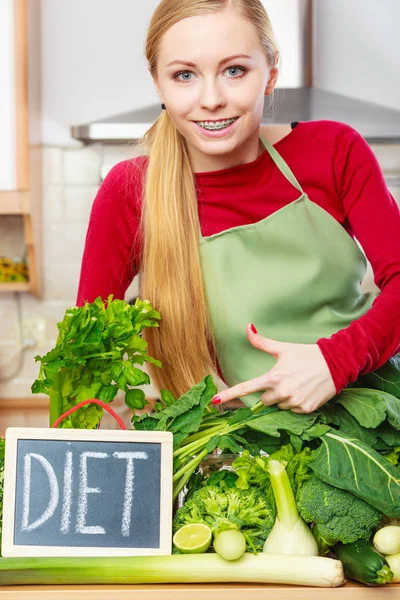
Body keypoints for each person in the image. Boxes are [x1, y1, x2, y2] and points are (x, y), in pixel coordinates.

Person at [77, 0, 400, 413]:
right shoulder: (129, 190)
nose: (211, 99)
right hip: (228, 449)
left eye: (234, 71)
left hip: (371, 419)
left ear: (271, 71)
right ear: (158, 83)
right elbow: (85, 349)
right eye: (184, 75)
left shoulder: (333, 152)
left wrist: (333, 363)